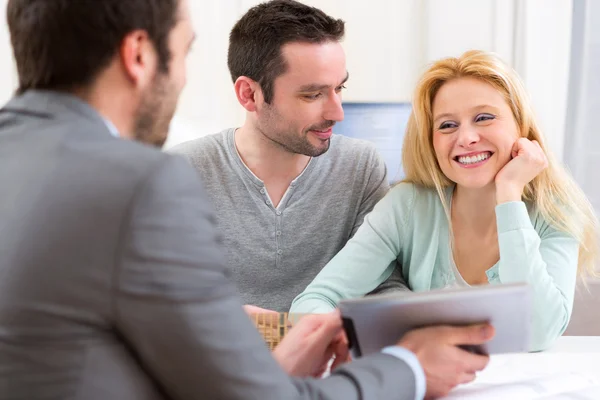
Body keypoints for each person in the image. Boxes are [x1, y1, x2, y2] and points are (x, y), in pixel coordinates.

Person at [0, 0, 494, 399]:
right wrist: (409, 367)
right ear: (139, 56)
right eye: (184, 51)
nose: (183, 78)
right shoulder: (146, 181)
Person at [291, 50, 599, 352]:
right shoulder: (407, 206)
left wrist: (510, 194)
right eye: (447, 125)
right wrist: (344, 343)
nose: (465, 138)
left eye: (484, 118)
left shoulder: (555, 210)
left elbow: (539, 332)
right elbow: (315, 300)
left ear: (522, 127)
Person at [168, 0, 406, 313]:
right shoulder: (182, 172)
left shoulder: (360, 166)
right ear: (249, 94)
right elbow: (164, 302)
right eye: (313, 95)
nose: (338, 112)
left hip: (333, 356)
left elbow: (384, 287)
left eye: (340, 88)